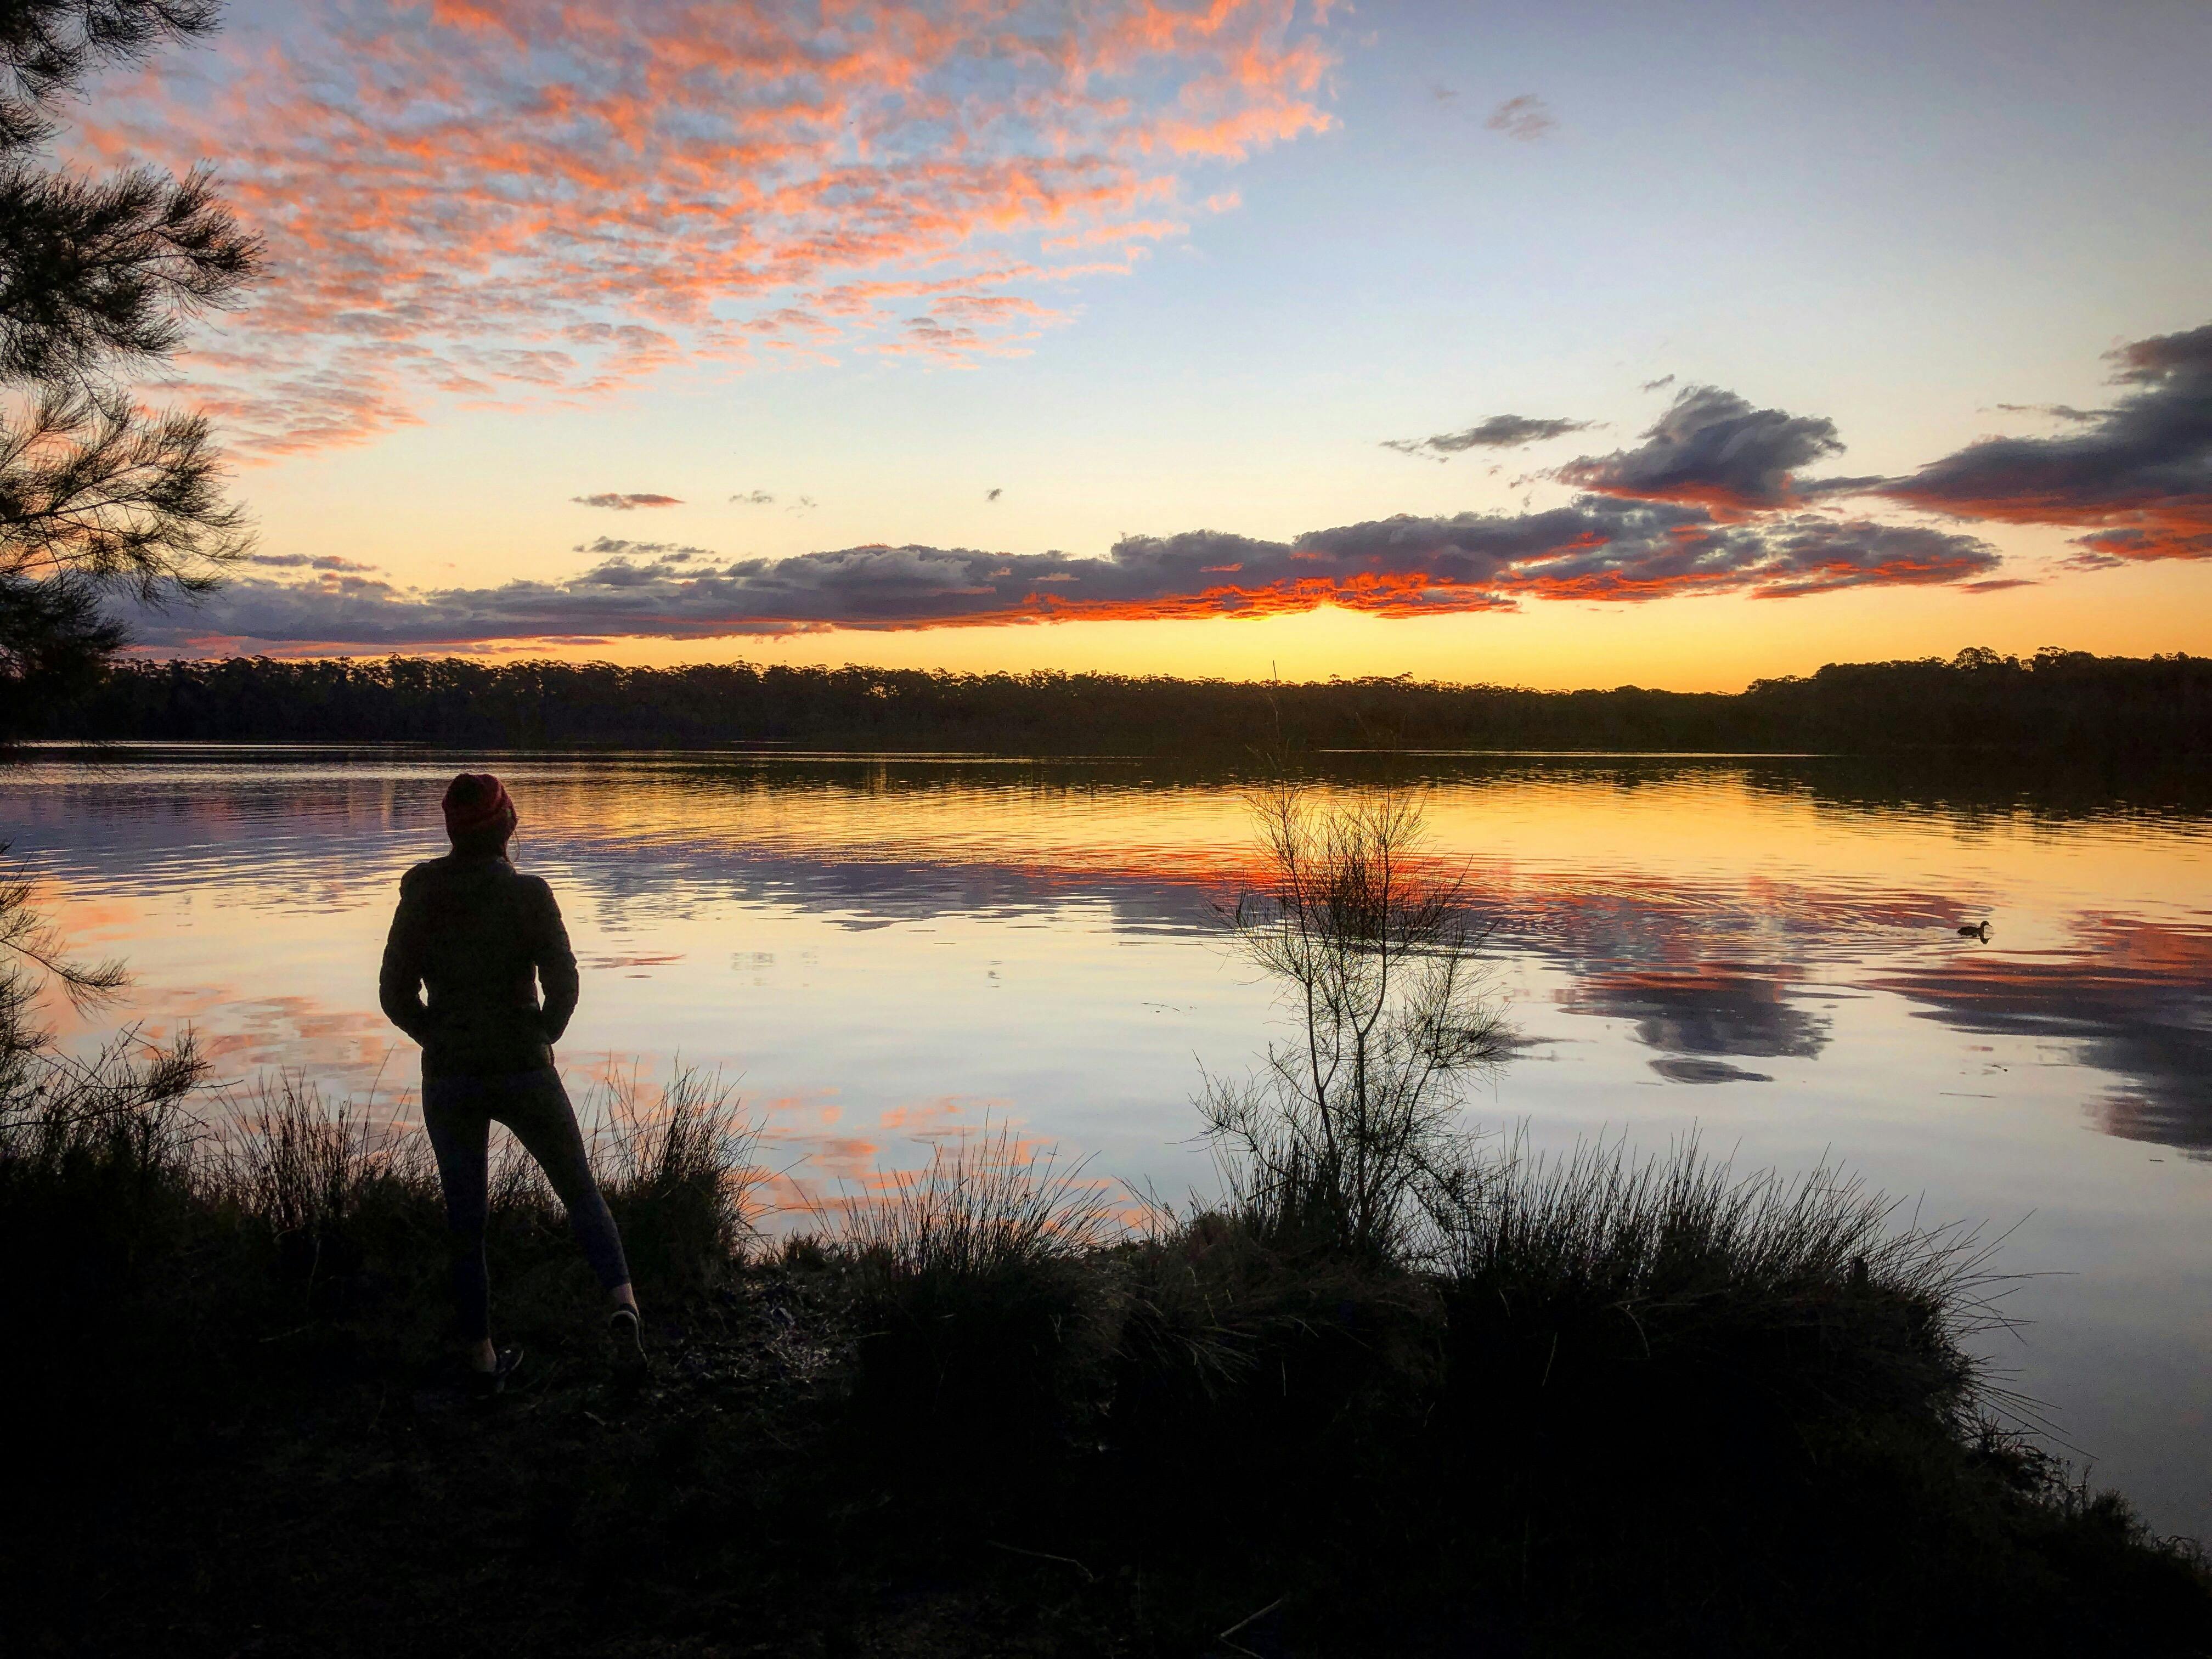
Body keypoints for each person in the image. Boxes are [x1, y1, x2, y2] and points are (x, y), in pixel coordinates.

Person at [379, 772, 642, 1392]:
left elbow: (394, 994)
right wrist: (541, 1034)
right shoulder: (529, 894)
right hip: (524, 1064)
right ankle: (623, 1306)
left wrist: (437, 1036)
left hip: (452, 1072)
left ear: (452, 830)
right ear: (507, 826)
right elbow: (565, 982)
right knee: (580, 1191)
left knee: (466, 1220)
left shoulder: (422, 893)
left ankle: (480, 1356)